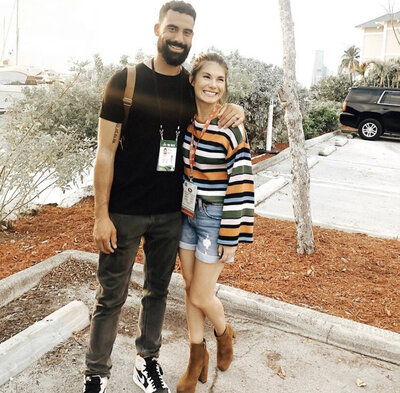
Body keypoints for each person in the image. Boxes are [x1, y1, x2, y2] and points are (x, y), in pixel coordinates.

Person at [83, 2, 245, 393]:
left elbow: (214, 106)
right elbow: (105, 152)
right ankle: (96, 374)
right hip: (124, 211)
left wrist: (236, 109)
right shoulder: (125, 80)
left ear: (193, 37)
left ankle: (147, 362)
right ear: (158, 29)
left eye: (187, 32)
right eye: (173, 29)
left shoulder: (191, 86)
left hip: (173, 214)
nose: (179, 38)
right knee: (111, 296)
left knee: (157, 292)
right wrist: (100, 214)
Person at [176, 53, 254, 393]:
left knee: (200, 292)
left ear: (225, 86)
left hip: (214, 220)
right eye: (206, 77)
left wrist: (231, 234)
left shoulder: (231, 127)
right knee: (189, 289)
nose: (212, 84)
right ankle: (196, 357)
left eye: (220, 79)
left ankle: (224, 333)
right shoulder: (186, 121)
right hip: (186, 214)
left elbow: (242, 183)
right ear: (193, 80)